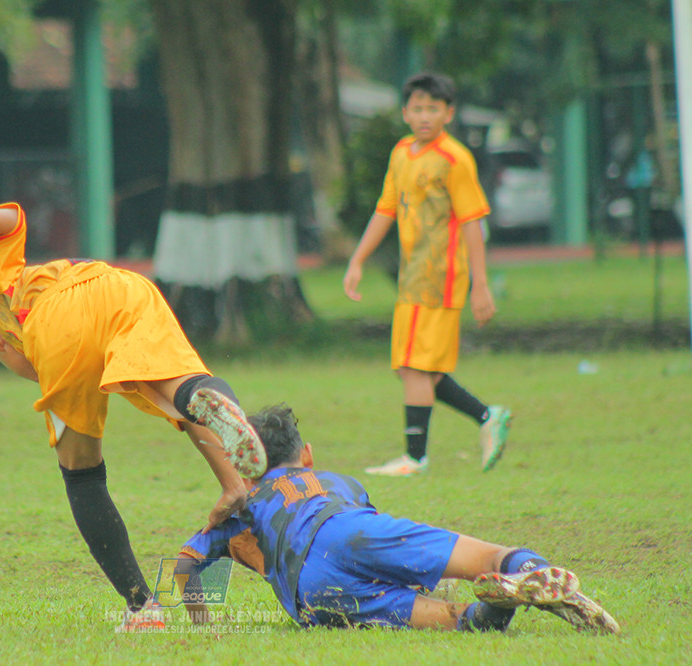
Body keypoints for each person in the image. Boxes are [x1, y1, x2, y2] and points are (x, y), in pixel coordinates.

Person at [0, 201, 267, 630]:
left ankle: (143, 609)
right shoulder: (45, 271)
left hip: (58, 320)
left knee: (80, 472)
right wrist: (232, 486)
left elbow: (12, 220)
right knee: (182, 390)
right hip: (127, 288)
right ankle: (233, 463)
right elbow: (13, 222)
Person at [174, 404, 620, 634]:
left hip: (308, 594)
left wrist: (203, 623)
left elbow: (186, 565)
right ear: (306, 455)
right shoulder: (339, 480)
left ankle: (493, 607)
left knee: (460, 622)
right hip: (345, 526)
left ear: (247, 467)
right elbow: (358, 536)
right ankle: (526, 573)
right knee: (490, 556)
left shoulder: (241, 508)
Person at [342, 71, 511, 477]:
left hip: (440, 280)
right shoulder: (401, 152)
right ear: (404, 113)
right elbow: (385, 209)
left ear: (448, 113)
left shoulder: (455, 159)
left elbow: (472, 222)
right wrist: (358, 260)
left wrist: (481, 285)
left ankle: (415, 458)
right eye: (417, 108)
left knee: (415, 367)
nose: (424, 116)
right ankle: (488, 416)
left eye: (433, 108)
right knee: (413, 367)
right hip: (411, 278)